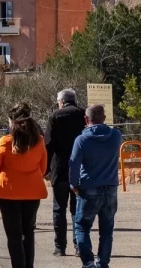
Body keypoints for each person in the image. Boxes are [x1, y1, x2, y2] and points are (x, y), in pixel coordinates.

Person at [0, 103, 48, 268]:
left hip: (8, 192)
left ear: (12, 122)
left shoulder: (5, 141)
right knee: (28, 232)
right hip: (33, 192)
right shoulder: (40, 141)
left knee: (13, 236)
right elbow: (43, 169)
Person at [69, 105, 122, 268]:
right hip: (110, 188)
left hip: (89, 188)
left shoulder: (82, 140)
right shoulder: (115, 135)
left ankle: (88, 262)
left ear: (86, 119)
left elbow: (74, 165)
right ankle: (103, 263)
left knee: (82, 227)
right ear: (104, 118)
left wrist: (74, 184)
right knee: (107, 231)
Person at [45, 88, 86, 256]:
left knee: (59, 209)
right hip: (80, 170)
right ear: (74, 100)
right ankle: (79, 246)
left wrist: (46, 168)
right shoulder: (84, 114)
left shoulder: (55, 116)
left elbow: (48, 145)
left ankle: (60, 247)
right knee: (77, 209)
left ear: (61, 101)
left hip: (60, 169)